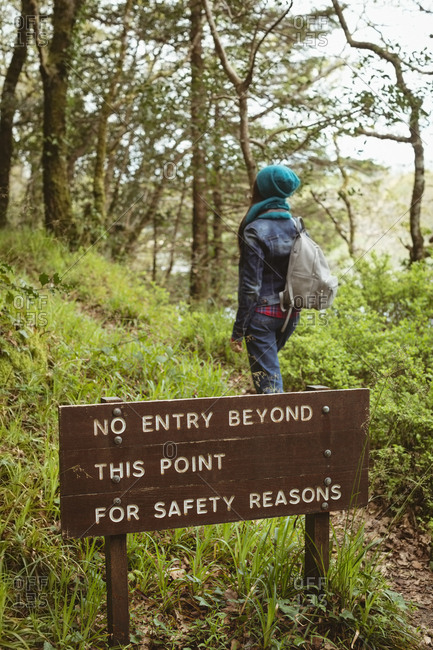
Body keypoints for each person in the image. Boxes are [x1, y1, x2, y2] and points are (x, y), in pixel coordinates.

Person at [231, 164, 301, 394]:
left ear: (260, 190)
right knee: (269, 373)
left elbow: (250, 287)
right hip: (290, 314)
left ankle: (282, 428)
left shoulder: (254, 229)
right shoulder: (297, 226)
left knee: (269, 385)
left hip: (262, 317)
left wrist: (238, 329)